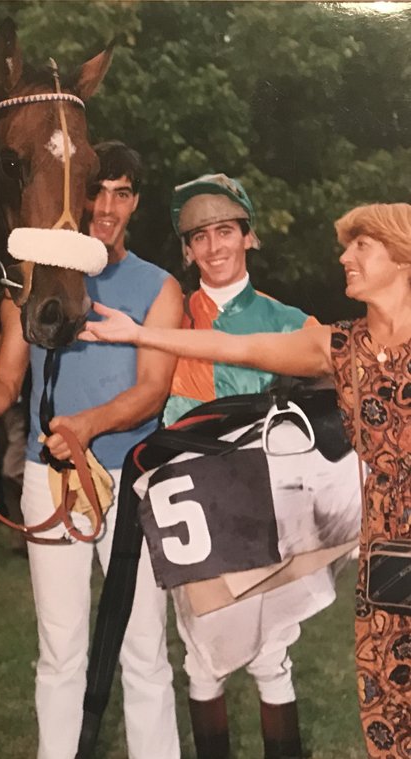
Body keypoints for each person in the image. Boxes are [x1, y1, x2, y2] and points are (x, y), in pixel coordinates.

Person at [80, 202, 411, 759]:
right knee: (387, 712)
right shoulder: (340, 346)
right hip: (384, 559)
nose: (344, 258)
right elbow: (237, 346)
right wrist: (140, 335)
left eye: (361, 246)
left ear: (402, 256)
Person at [0, 141, 183, 759]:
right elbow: (4, 383)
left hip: (135, 483)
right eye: (97, 192)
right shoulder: (30, 281)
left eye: (122, 194)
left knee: (143, 647)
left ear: (135, 204)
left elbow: (152, 390)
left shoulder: (159, 286)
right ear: (76, 196)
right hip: (52, 480)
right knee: (60, 648)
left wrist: (87, 425)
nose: (107, 207)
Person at [165, 173, 318, 759]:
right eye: (199, 237)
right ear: (187, 250)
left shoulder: (289, 320)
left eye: (225, 231)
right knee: (202, 654)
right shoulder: (168, 316)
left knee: (273, 651)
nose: (214, 247)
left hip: (267, 499)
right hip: (189, 500)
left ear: (248, 236)